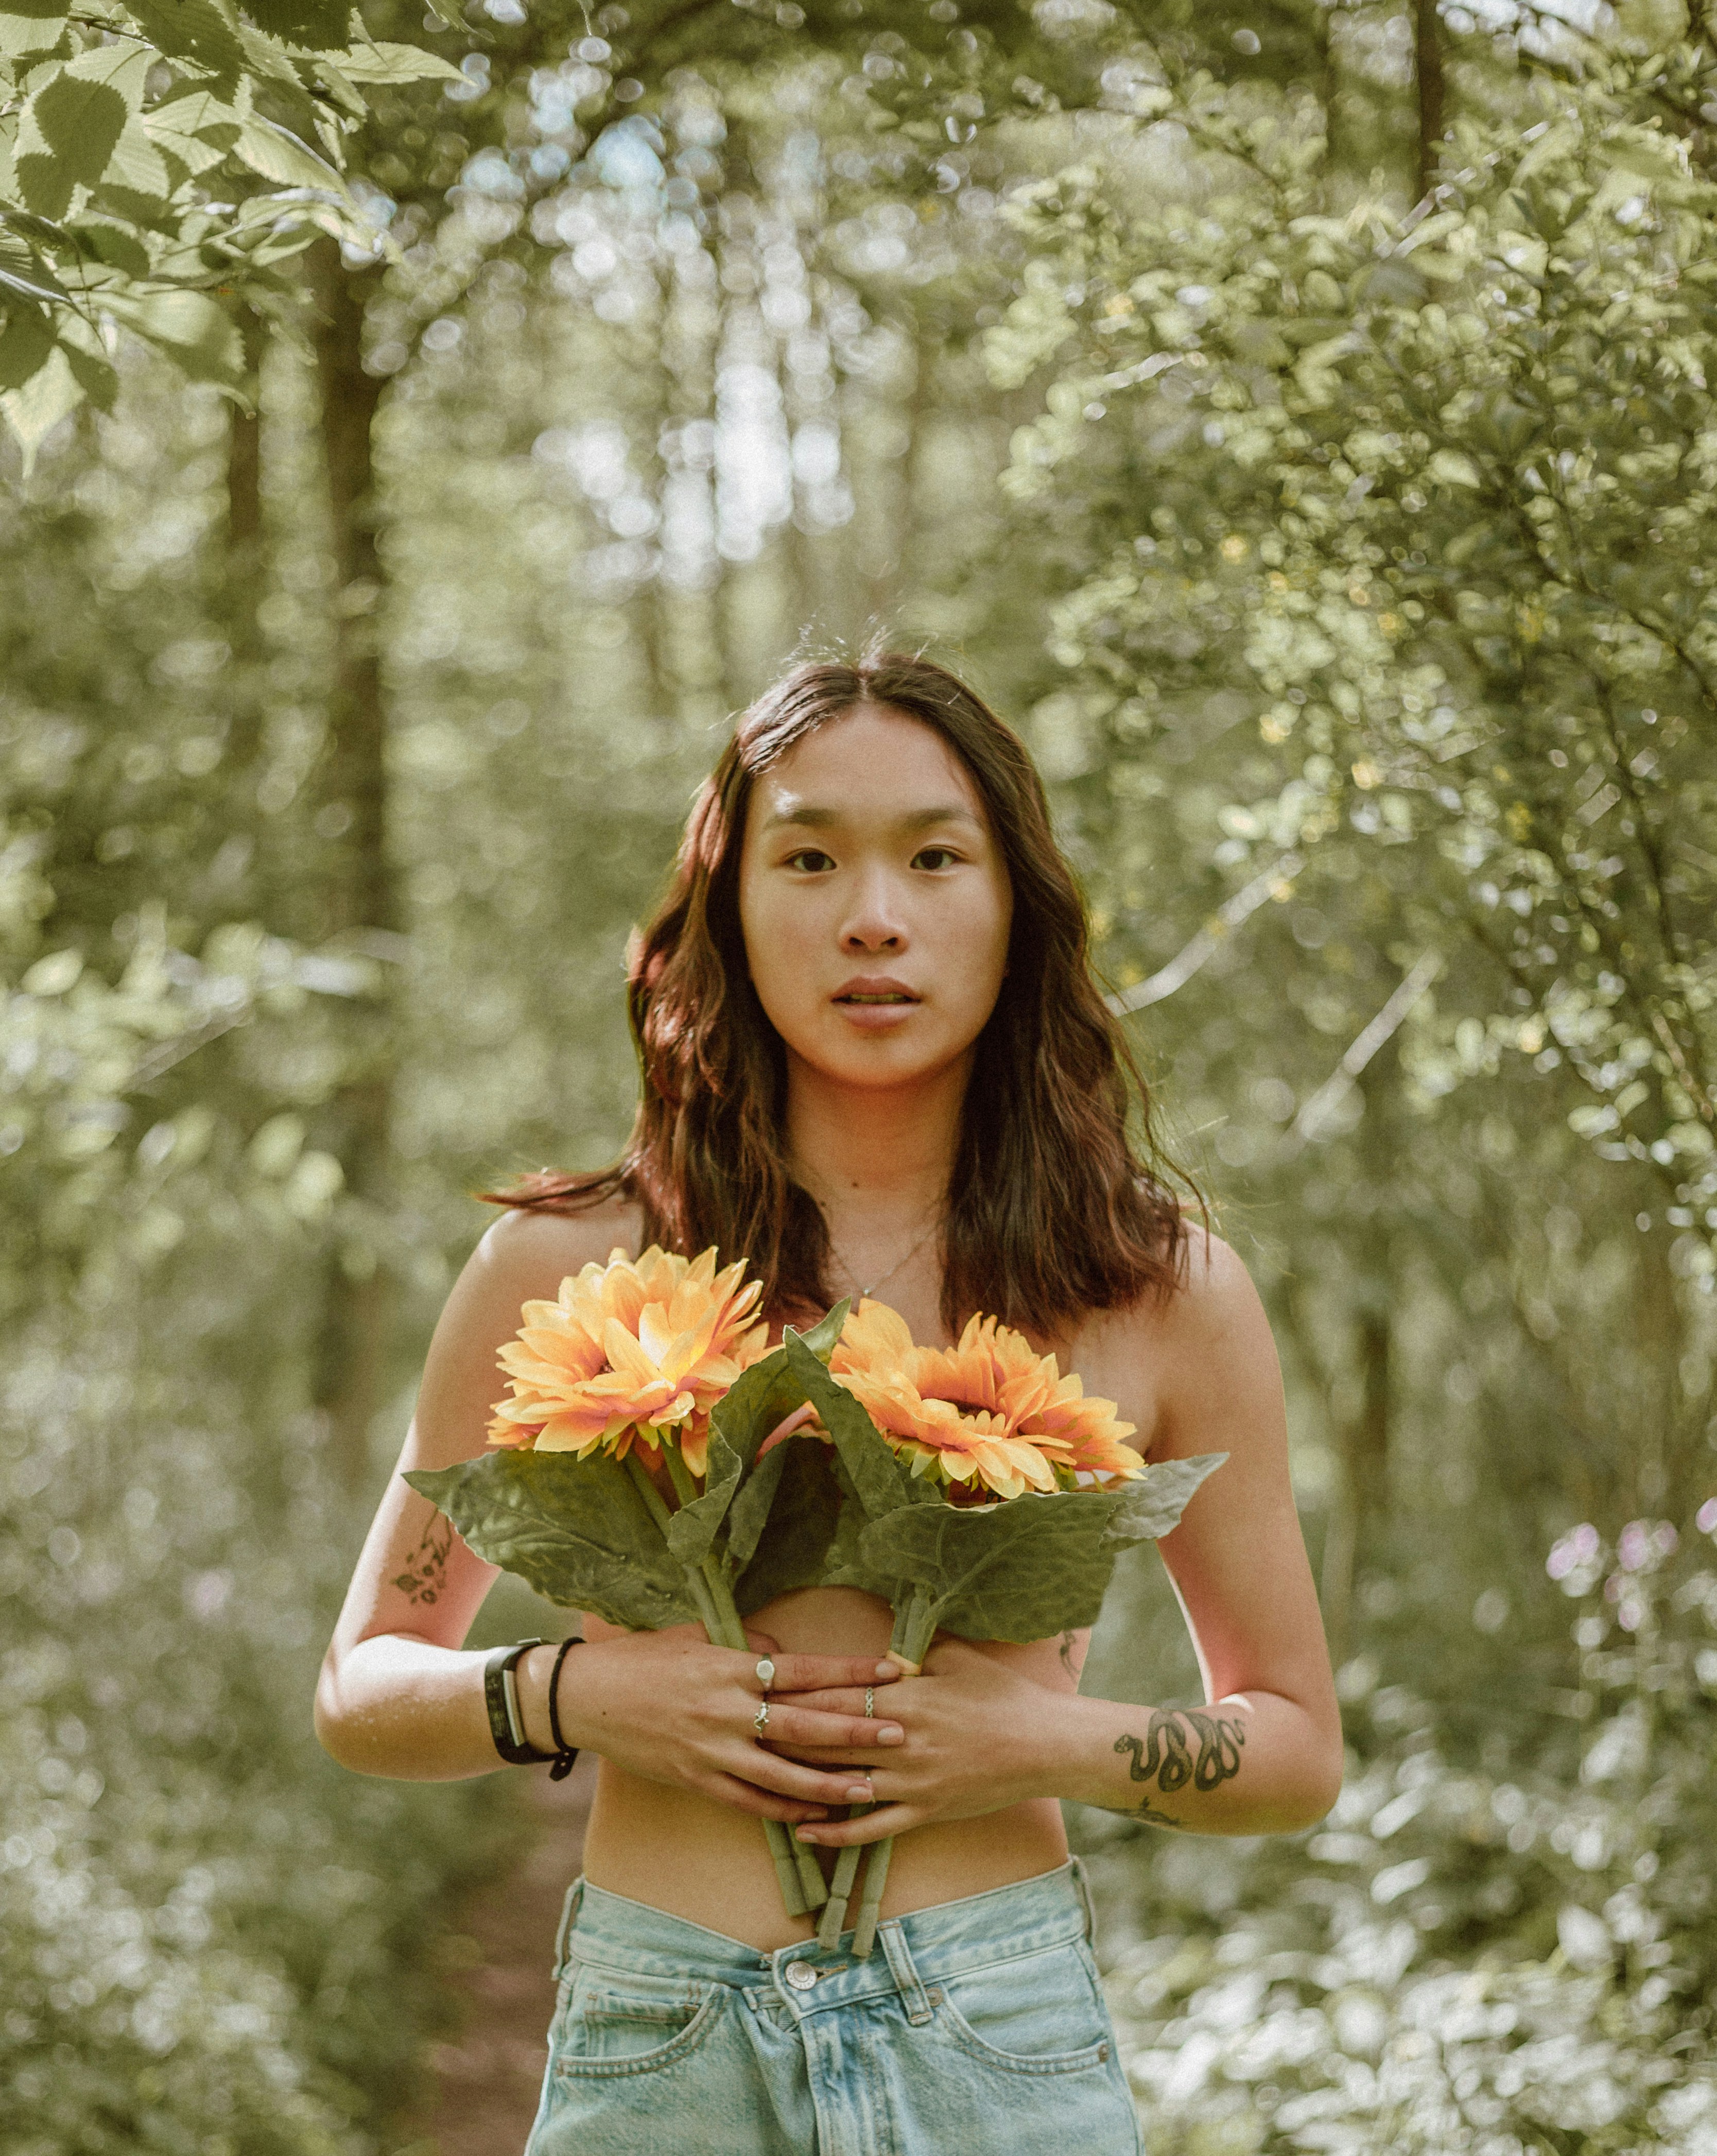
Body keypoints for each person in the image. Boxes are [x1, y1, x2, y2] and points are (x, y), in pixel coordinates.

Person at [315, 653, 1343, 2155]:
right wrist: (583, 1696)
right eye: (809, 857)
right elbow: (362, 1687)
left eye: (935, 855)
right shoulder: (563, 1268)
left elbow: (1297, 1746)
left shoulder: (1159, 1287)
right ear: (731, 904)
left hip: (1001, 2043)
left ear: (1016, 908)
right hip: (657, 2043)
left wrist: (1031, 1738)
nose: (876, 915)